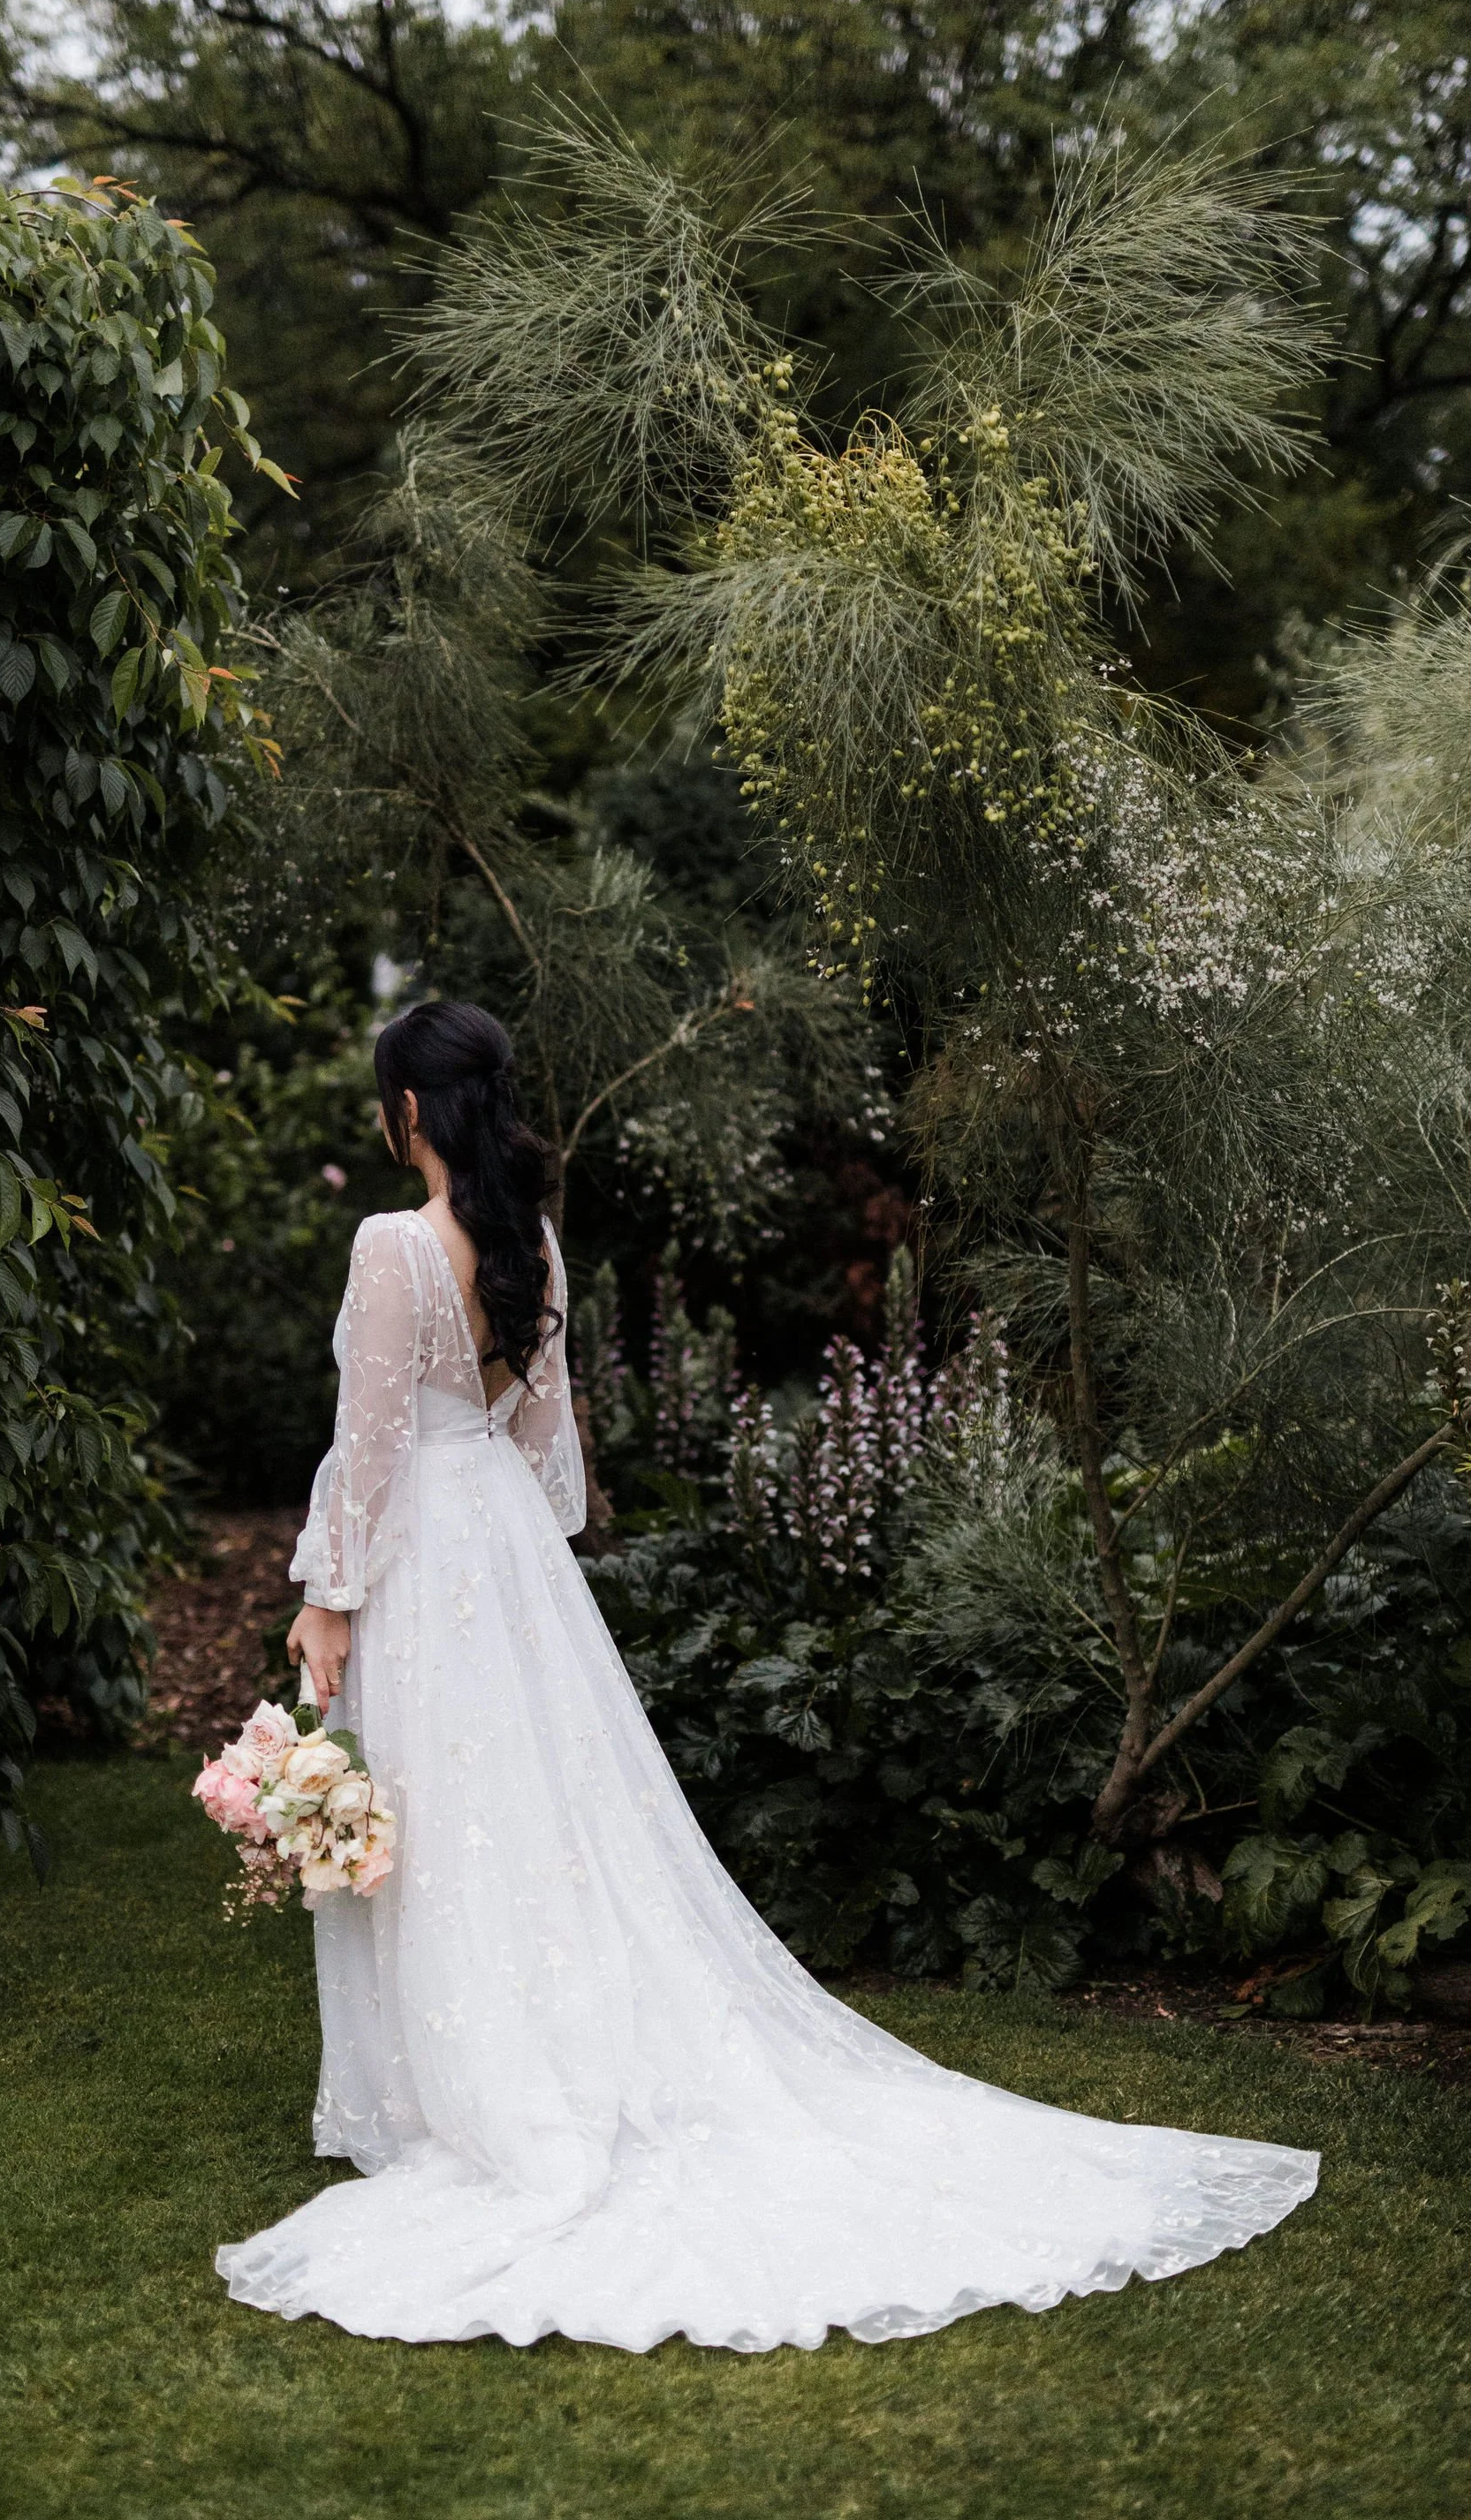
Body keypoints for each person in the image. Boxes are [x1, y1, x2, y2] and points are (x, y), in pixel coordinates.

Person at [216, 1000, 1317, 2350]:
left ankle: (486, 2090)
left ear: (409, 1113)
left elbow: (372, 1437)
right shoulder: (534, 1242)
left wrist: (328, 1599)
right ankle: (528, 2058)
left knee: (456, 1812)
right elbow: (544, 1435)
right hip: (503, 1547)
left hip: (427, 1551)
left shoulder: (391, 1245)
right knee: (534, 1814)